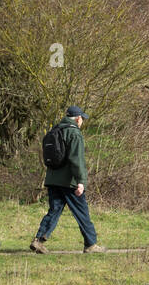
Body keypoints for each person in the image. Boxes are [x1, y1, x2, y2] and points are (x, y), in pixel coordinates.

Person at [30, 106, 105, 254]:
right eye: (82, 118)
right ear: (78, 118)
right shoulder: (74, 133)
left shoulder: (55, 130)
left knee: (54, 210)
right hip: (69, 182)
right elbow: (77, 160)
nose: (82, 121)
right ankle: (91, 244)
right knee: (82, 212)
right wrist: (81, 181)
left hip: (52, 179)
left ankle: (38, 240)